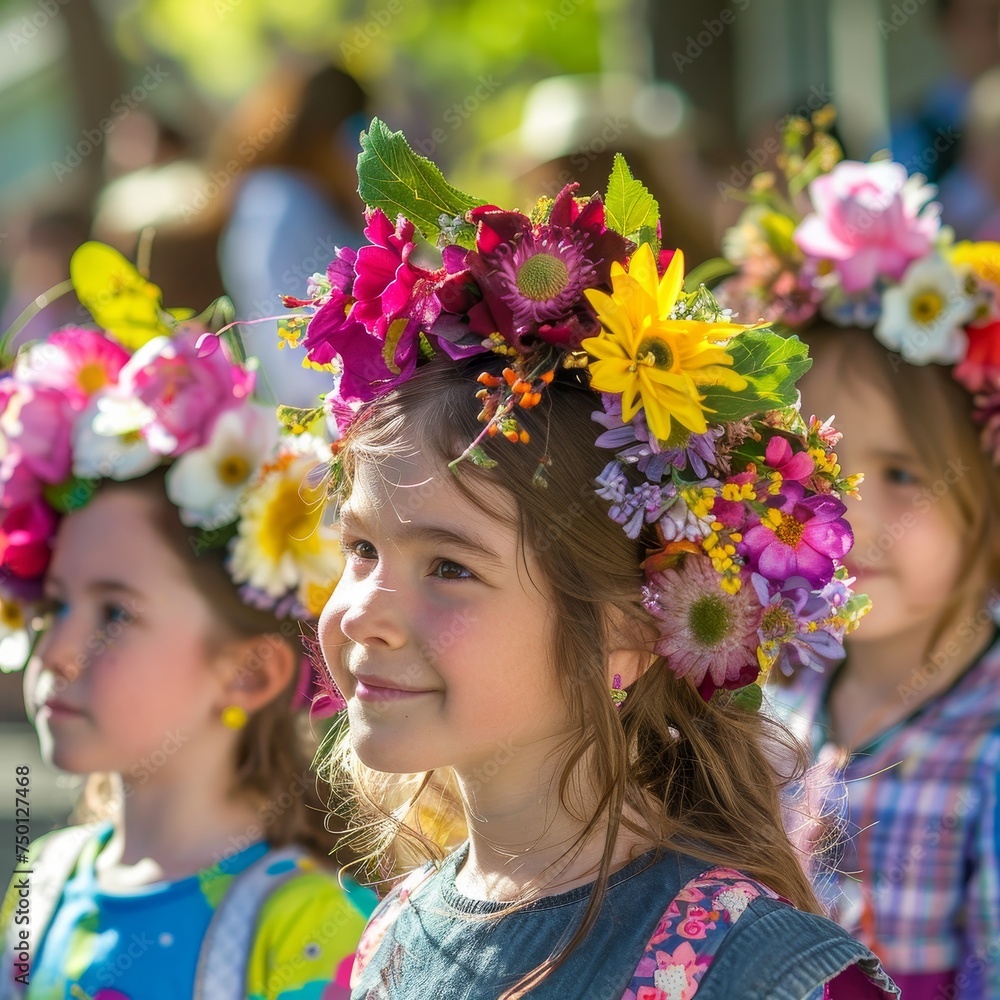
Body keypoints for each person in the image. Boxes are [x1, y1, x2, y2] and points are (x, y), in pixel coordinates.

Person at [283, 118, 898, 998]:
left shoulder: (761, 975)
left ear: (629, 625)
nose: (364, 613)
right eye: (362, 547)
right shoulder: (392, 940)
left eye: (449, 567)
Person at [0, 242, 373, 999]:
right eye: (56, 604)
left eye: (116, 613)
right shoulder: (42, 881)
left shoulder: (311, 927)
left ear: (248, 669)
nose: (58, 652)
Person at [715, 126, 1000, 998]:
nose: (853, 516)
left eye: (905, 473)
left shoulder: (987, 747)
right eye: (822, 469)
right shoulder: (771, 700)